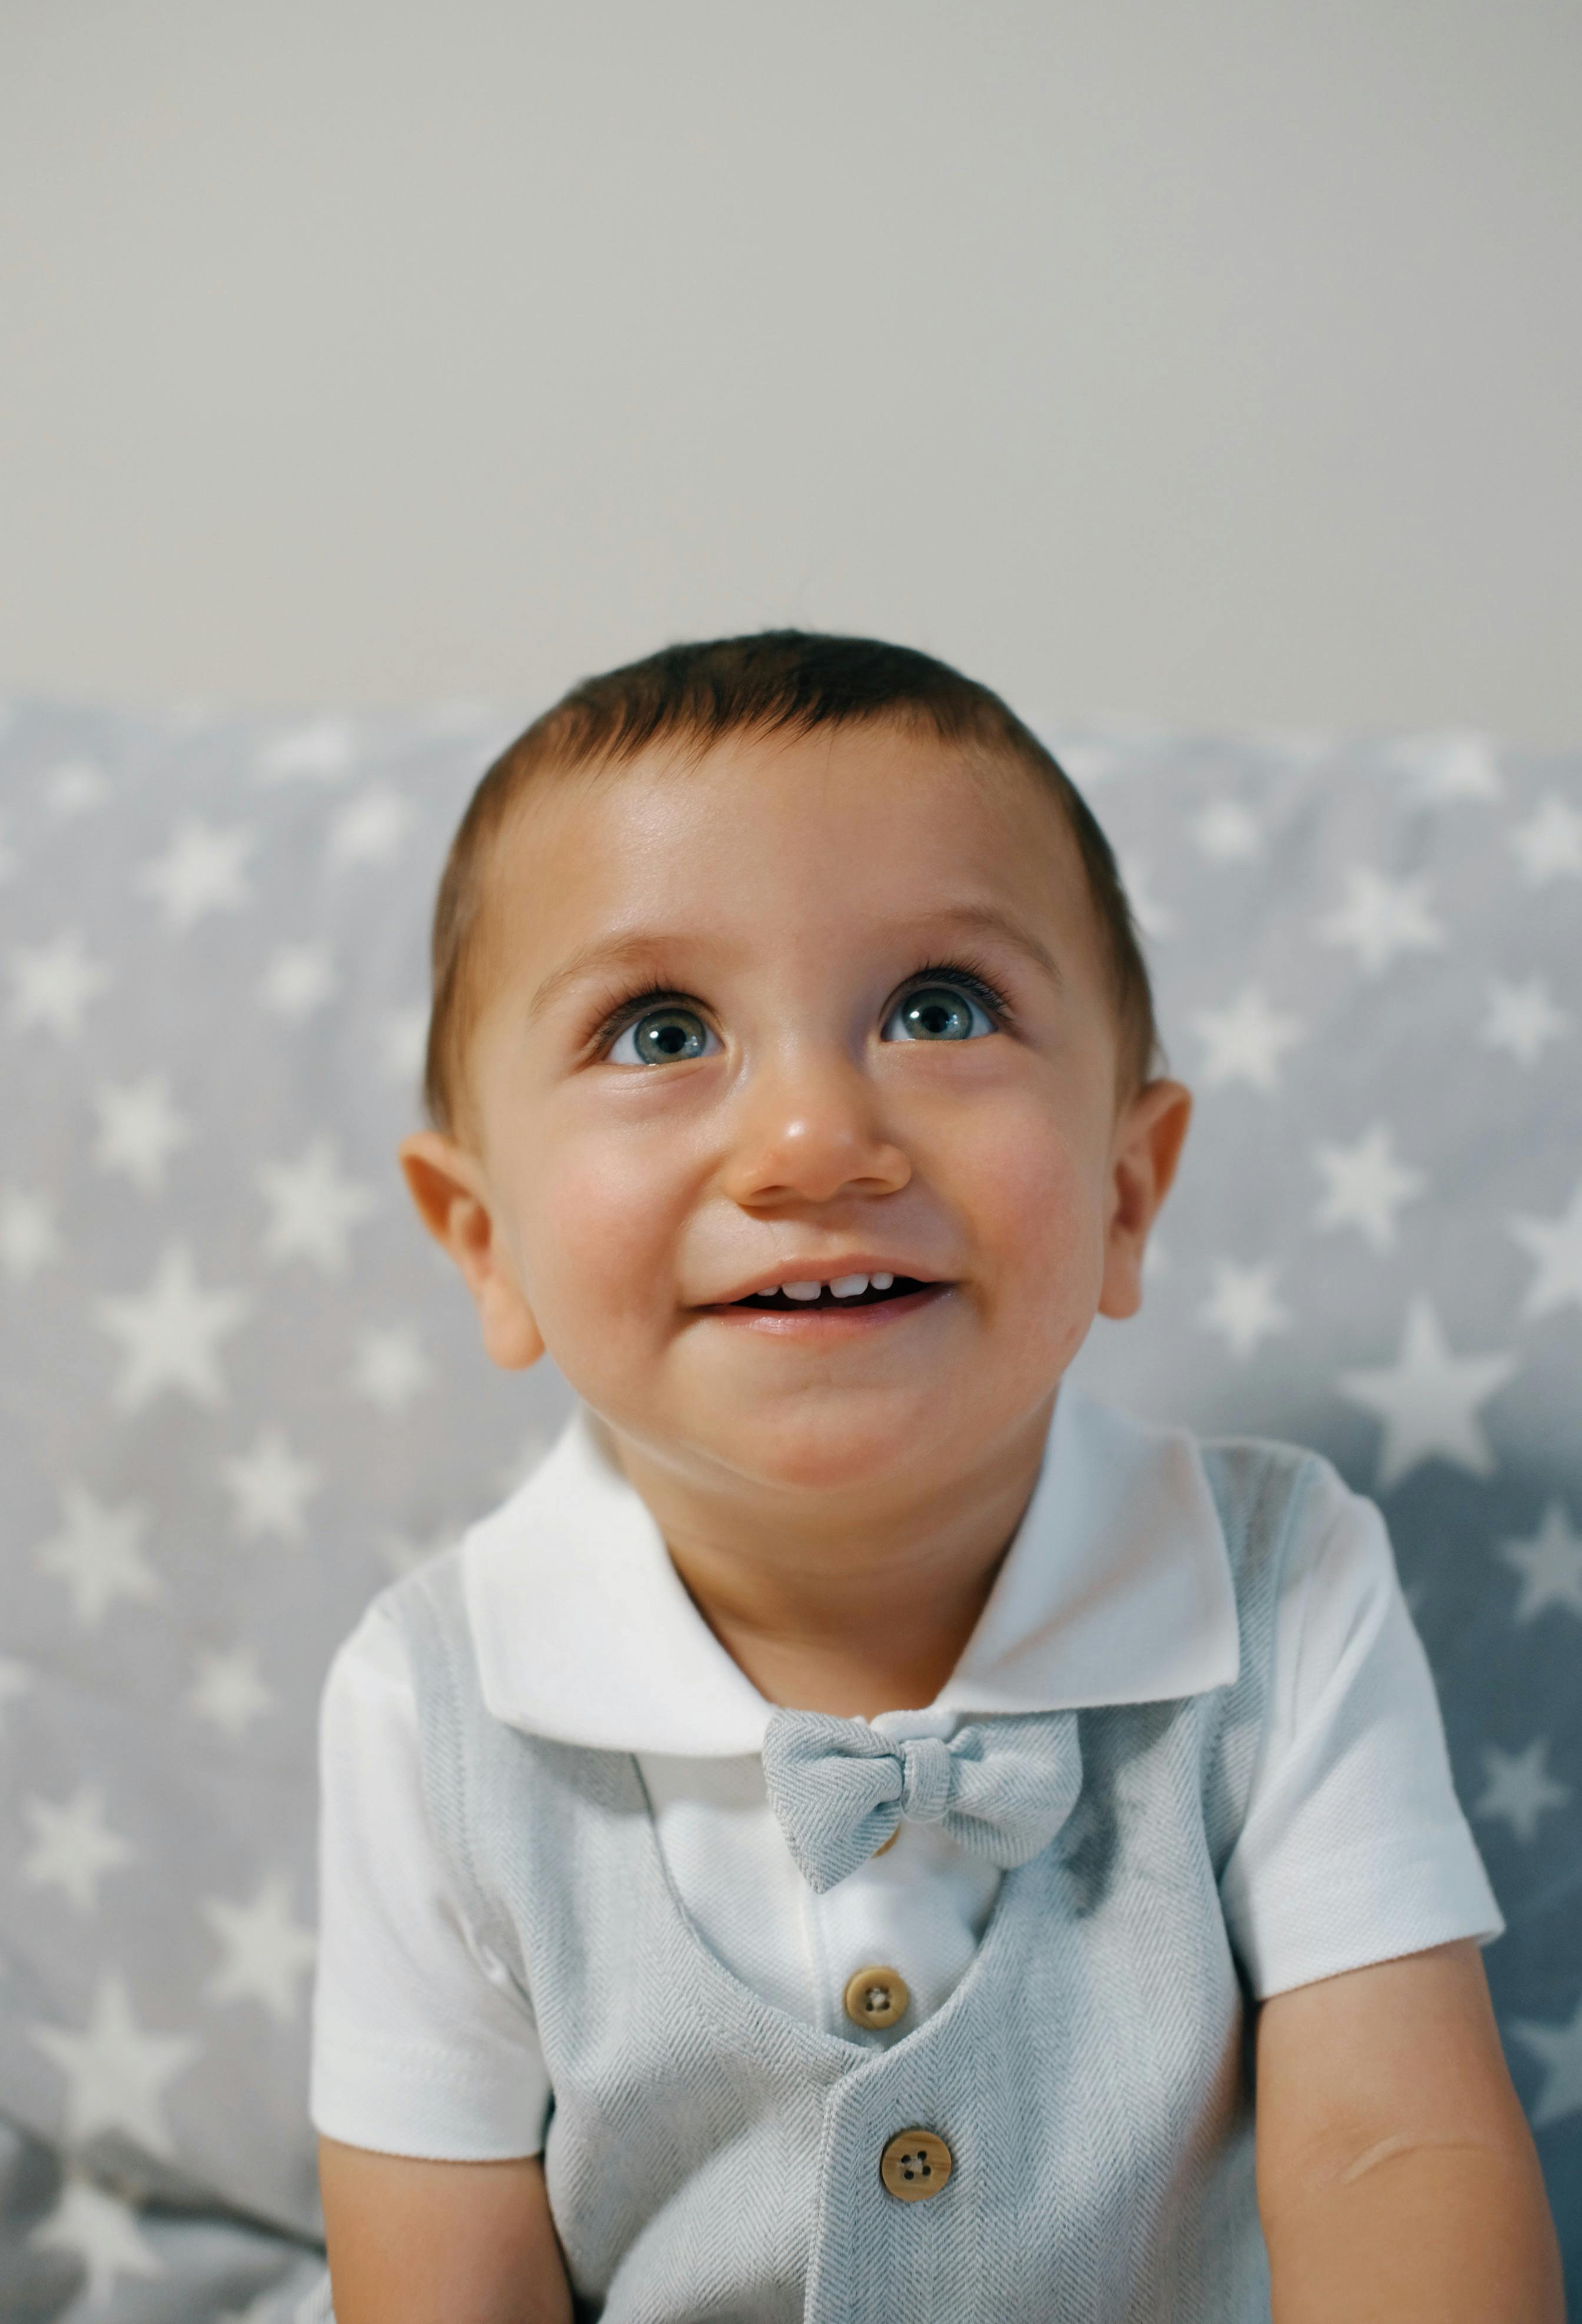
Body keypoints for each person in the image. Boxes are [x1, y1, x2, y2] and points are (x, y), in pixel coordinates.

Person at [307, 632, 1563, 2323]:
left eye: (939, 1009)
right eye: (663, 1029)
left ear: (1127, 1191)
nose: (818, 1140)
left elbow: (1388, 2161)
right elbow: (442, 2278)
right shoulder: (436, 1704)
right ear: (486, 1244)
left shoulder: (1284, 1582)